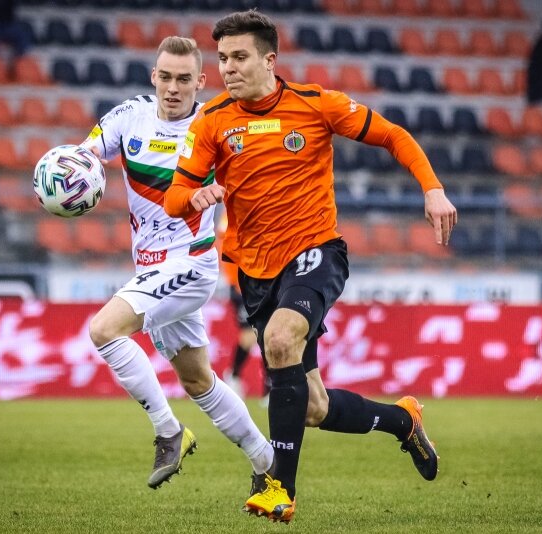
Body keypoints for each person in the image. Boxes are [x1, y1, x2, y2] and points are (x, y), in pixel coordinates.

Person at [164, 10, 457, 522]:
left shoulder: (316, 104)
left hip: (316, 251)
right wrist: (194, 197)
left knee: (280, 339)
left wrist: (432, 189)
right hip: (257, 272)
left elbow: (393, 135)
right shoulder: (211, 120)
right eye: (223, 58)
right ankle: (403, 421)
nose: (228, 67)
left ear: (269, 60)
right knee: (313, 407)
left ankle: (279, 488)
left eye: (239, 56)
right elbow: (174, 197)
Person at [82, 36, 273, 490]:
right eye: (165, 77)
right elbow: (85, 154)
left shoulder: (215, 126)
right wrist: (69, 173)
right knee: (198, 381)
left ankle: (169, 431)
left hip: (192, 263)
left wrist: (219, 193)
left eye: (184, 79)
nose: (173, 87)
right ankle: (268, 463)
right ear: (153, 76)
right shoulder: (130, 115)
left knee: (104, 330)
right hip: (149, 268)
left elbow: (253, 183)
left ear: (200, 81)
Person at [217, 210, 268, 401]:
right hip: (241, 286)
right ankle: (234, 374)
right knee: (250, 335)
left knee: (267, 333)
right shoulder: (230, 216)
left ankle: (270, 387)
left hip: (258, 283)